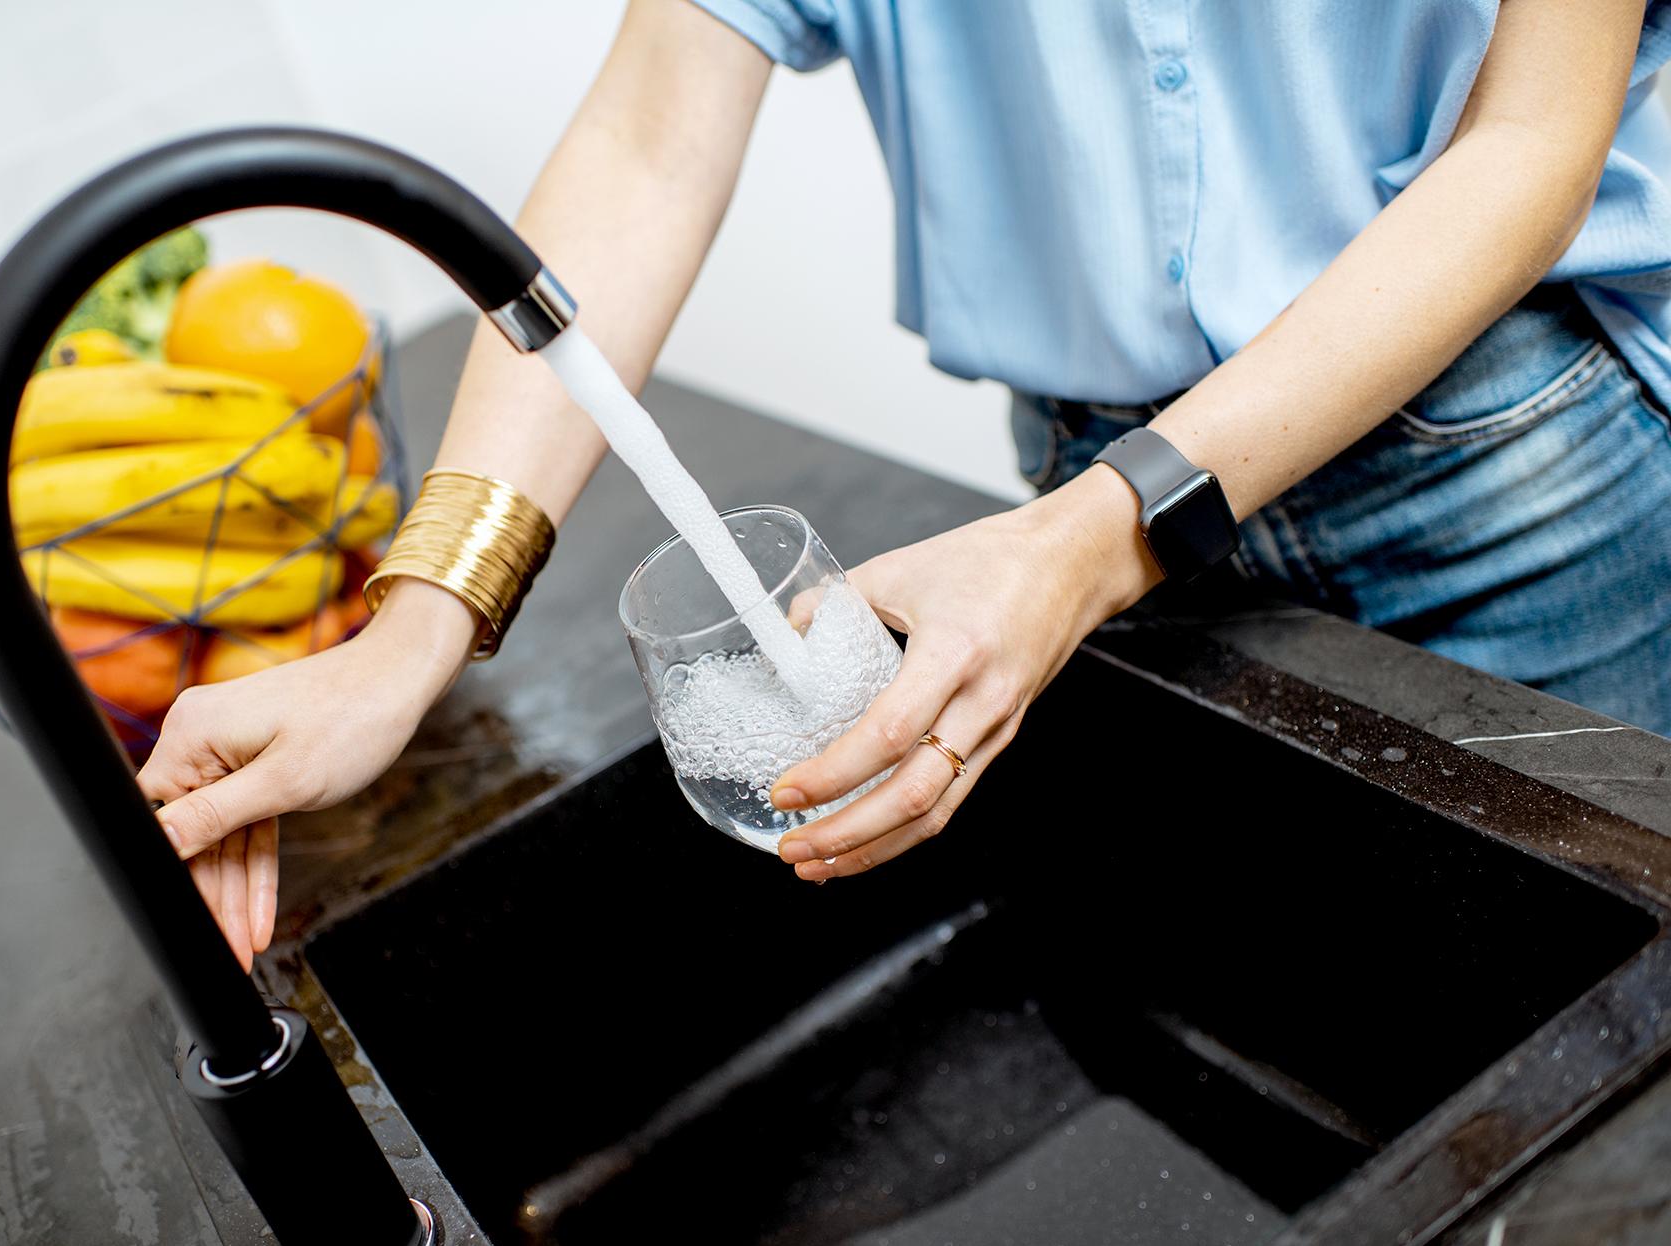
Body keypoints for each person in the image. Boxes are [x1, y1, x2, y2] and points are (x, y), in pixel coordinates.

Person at [140, 0, 1671, 967]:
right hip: (1082, 495)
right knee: (1297, 1000)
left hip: (1511, 469)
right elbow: (651, 142)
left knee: (1607, 1047)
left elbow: (1531, 140)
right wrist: (412, 632)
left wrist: (1101, 535)